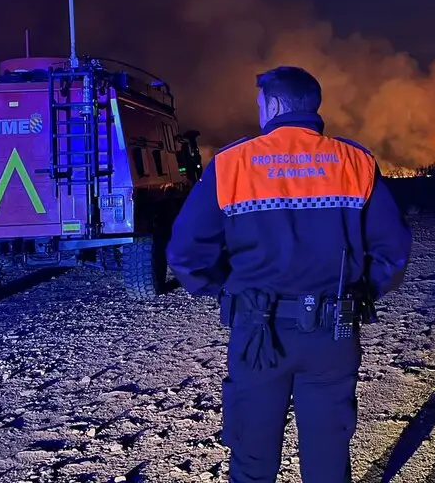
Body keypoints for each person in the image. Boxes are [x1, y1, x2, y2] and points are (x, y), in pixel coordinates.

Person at [166, 65, 413, 483]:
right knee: (328, 455)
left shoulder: (231, 164)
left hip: (258, 332)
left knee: (252, 455)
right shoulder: (355, 162)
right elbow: (393, 250)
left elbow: (186, 254)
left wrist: (227, 290)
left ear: (274, 105)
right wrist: (360, 293)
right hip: (333, 333)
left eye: (261, 102)